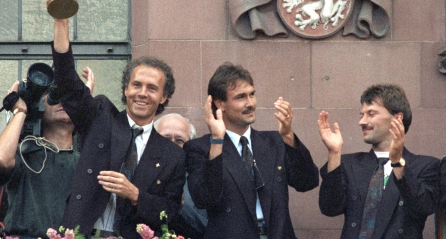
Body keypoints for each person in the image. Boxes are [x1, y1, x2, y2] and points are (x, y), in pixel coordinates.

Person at [47, 0, 186, 238]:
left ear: (164, 96)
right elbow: (68, 83)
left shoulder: (172, 155)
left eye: (152, 88)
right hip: (82, 233)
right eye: (136, 85)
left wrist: (135, 195)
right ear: (126, 89)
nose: (142, 93)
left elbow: (171, 212)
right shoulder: (101, 118)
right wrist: (61, 21)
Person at [184, 62, 319, 238]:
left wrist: (288, 137)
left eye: (252, 94)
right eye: (240, 97)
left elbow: (307, 182)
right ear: (220, 103)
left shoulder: (274, 142)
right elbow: (206, 198)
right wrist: (216, 140)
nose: (250, 103)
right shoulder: (199, 148)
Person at [318, 84, 439, 239]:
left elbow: (423, 207)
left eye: (371, 114)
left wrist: (397, 162)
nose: (362, 121)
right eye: (361, 115)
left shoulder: (425, 166)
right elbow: (329, 208)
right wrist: (334, 153)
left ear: (397, 118)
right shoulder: (349, 164)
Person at [0, 67, 94, 238]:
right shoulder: (25, 154)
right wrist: (20, 111)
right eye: (55, 96)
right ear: (40, 107)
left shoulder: (87, 163)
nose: (63, 102)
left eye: (70, 98)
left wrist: (85, 101)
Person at [154, 113, 207, 239]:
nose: (172, 145)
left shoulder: (200, 179)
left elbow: (209, 227)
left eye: (179, 140)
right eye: (165, 139)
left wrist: (182, 207)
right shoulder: (140, 173)